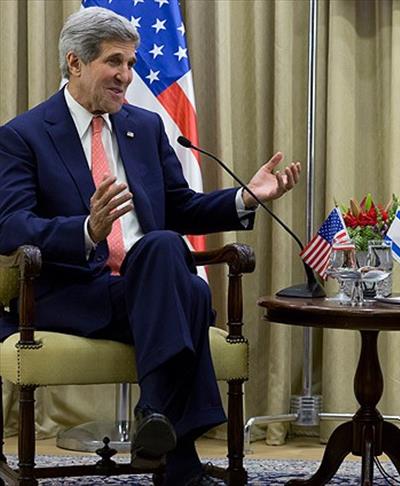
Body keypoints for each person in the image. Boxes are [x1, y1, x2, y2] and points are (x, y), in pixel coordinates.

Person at [0, 7, 301, 486]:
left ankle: (155, 412)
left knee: (162, 248)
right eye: (114, 62)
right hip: (75, 291)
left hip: (147, 284)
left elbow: (181, 207)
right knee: (191, 292)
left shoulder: (144, 126)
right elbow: (12, 227)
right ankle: (179, 461)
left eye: (130, 63)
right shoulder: (24, 135)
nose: (126, 75)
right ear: (75, 62)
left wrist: (245, 197)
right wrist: (86, 230)